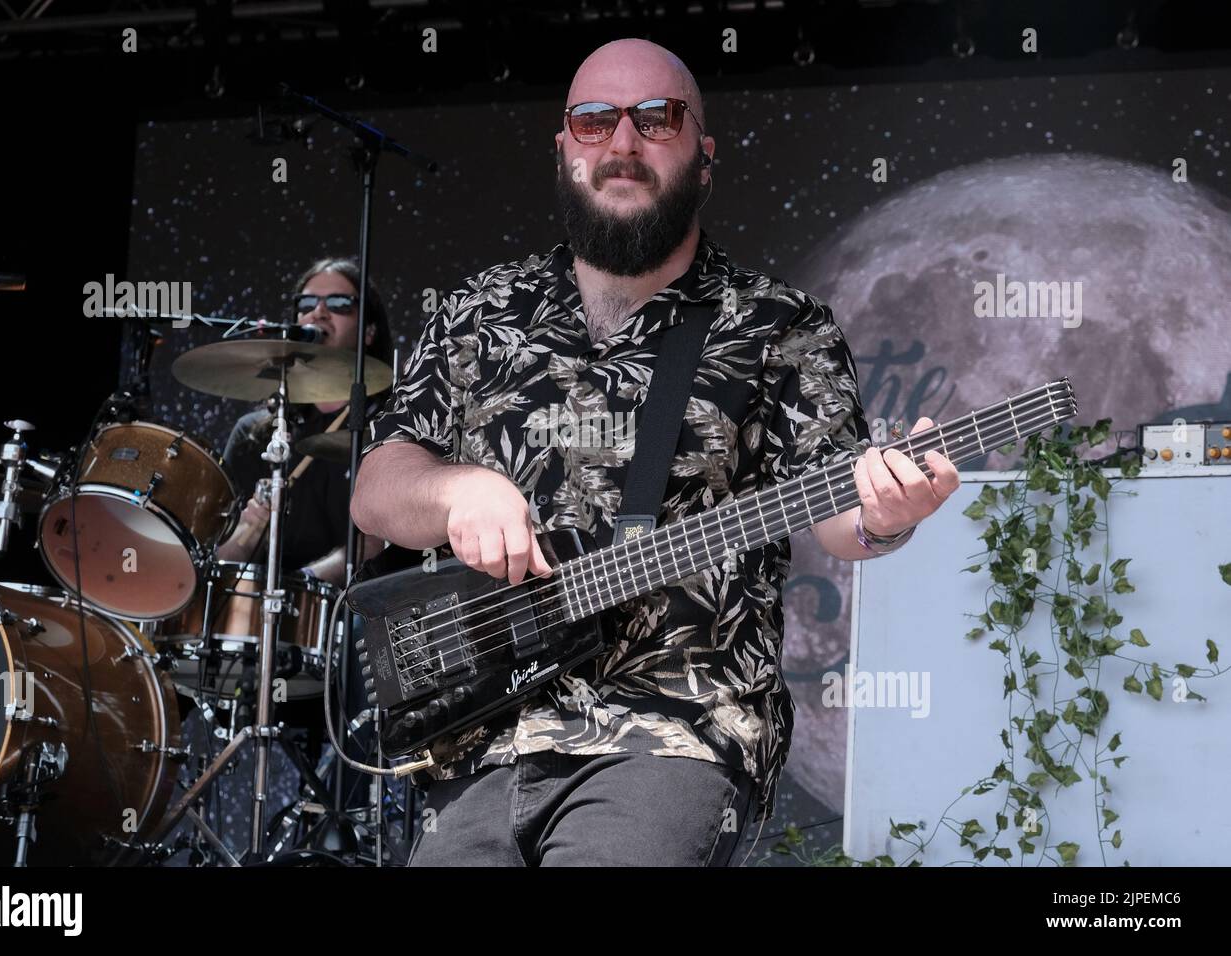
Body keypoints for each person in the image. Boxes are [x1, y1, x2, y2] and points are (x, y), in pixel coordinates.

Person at [350, 39, 960, 867]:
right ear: (565, 149)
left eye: (656, 118)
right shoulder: (478, 312)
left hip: (674, 730)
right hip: (480, 743)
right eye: (595, 121)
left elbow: (842, 512)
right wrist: (460, 492)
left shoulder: (779, 327)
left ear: (702, 156)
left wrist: (887, 517)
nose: (623, 143)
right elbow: (379, 488)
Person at [217, 257, 389, 582]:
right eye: (307, 303)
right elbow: (222, 560)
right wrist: (247, 530)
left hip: (351, 614)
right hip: (255, 616)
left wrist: (303, 584)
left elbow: (373, 544)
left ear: (369, 332)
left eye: (339, 303)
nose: (318, 312)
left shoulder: (389, 427)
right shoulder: (255, 433)